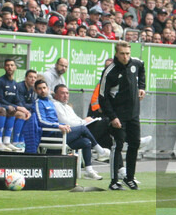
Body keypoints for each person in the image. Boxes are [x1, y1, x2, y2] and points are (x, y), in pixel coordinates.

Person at [98, 41, 147, 190]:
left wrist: (142, 87)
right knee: (117, 145)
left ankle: (129, 177)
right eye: (122, 54)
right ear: (116, 54)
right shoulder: (110, 71)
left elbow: (142, 69)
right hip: (118, 115)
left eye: (127, 53)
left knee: (135, 144)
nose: (125, 57)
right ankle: (113, 181)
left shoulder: (136, 63)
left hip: (133, 114)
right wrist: (112, 117)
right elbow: (102, 97)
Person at [35, 80, 104, 180]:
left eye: (44, 88)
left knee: (86, 142)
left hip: (60, 133)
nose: (42, 91)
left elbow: (62, 120)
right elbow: (41, 121)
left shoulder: (50, 103)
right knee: (83, 129)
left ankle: (89, 171)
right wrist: (59, 126)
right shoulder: (40, 103)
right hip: (51, 135)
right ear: (36, 91)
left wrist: (61, 125)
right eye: (40, 89)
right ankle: (100, 150)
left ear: (48, 89)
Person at [0, 58, 30, 151]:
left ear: (15, 67)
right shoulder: (0, 81)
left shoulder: (15, 83)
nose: (9, 67)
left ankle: (13, 142)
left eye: (12, 65)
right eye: (7, 65)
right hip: (1, 107)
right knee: (14, 111)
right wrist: (17, 107)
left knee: (24, 114)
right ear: (4, 67)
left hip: (11, 108)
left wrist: (23, 108)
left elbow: (17, 99)